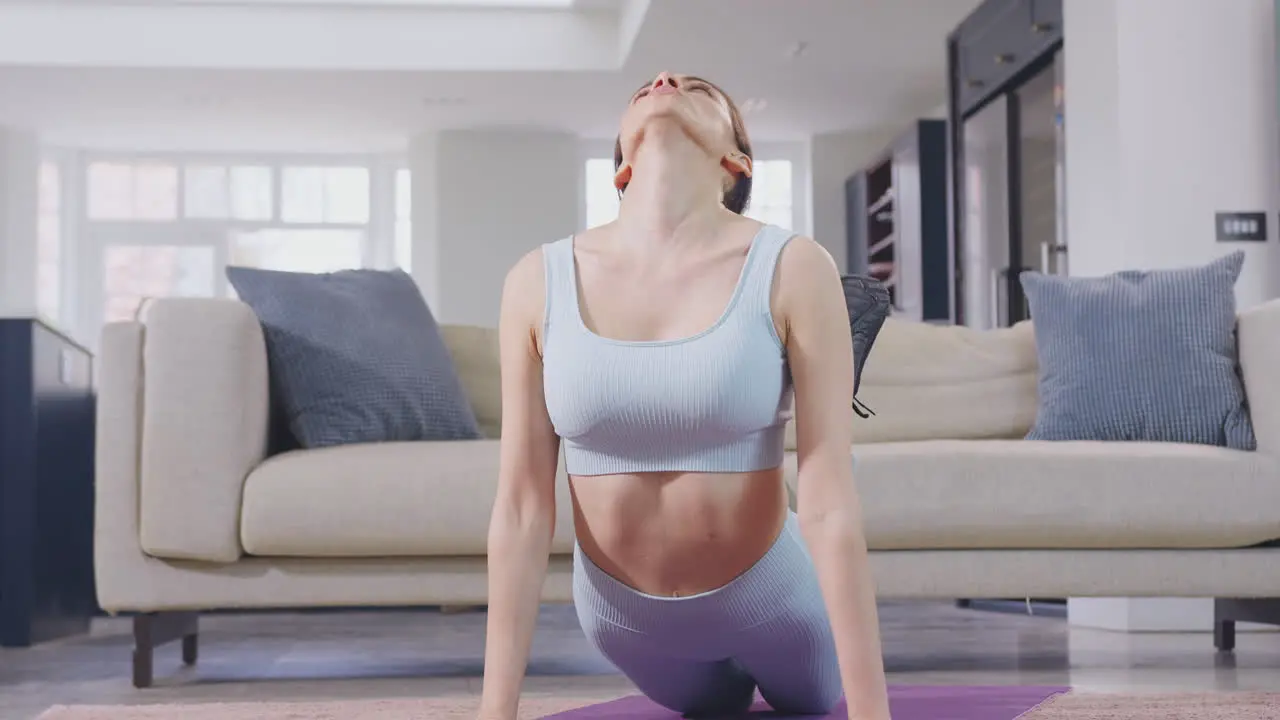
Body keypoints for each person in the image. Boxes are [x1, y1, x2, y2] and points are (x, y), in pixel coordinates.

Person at [478, 71, 891, 720]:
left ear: (737, 158)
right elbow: (522, 507)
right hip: (626, 620)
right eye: (647, 85)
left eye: (696, 87)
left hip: (775, 598)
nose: (666, 80)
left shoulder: (793, 264)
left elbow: (830, 497)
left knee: (809, 704)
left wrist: (875, 715)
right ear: (621, 166)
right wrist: (493, 714)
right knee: (714, 710)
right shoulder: (537, 279)